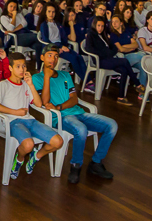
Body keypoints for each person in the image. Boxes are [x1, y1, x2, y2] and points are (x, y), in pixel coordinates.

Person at [33, 46, 117, 184]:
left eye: (55, 56)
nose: (53, 59)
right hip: (60, 118)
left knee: (112, 125)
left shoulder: (65, 75)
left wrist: (59, 106)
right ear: (42, 57)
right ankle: (75, 165)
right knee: (81, 130)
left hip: (78, 112)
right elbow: (45, 102)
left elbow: (74, 99)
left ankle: (96, 163)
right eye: (49, 55)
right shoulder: (37, 78)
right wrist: (46, 77)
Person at [0, 53, 64, 180]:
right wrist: (15, 112)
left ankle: (36, 156)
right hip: (13, 122)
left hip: (30, 121)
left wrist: (31, 85)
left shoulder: (26, 84)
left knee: (58, 141)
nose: (22, 69)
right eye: (18, 66)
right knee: (28, 145)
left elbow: (39, 104)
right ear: (10, 68)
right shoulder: (4, 85)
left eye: (24, 66)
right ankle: (19, 159)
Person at [85, 17, 139, 104]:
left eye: (102, 26)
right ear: (94, 25)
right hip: (100, 61)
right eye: (98, 26)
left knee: (124, 70)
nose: (100, 28)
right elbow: (90, 49)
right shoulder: (91, 35)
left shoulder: (103, 34)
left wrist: (110, 52)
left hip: (108, 59)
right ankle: (137, 84)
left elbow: (113, 47)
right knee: (124, 61)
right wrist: (107, 53)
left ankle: (121, 97)